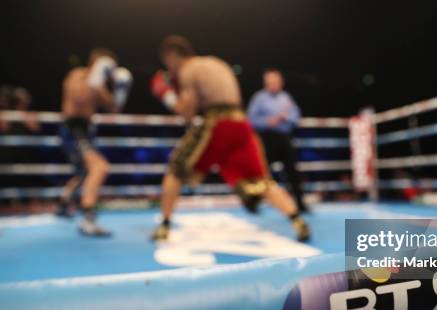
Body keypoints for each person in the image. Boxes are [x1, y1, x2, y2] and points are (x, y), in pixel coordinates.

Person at [150, 35, 310, 241]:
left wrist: (165, 93)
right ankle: (298, 221)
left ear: (172, 57)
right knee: (263, 180)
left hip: (217, 125)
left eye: (168, 63)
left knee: (175, 168)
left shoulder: (189, 70)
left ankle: (164, 226)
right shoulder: (217, 63)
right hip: (241, 126)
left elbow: (186, 113)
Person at [58, 48, 133, 236]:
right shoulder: (78, 75)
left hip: (86, 129)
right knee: (99, 168)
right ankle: (88, 220)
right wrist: (96, 79)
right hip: (73, 128)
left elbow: (114, 108)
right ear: (98, 63)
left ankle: (63, 202)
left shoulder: (98, 84)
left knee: (85, 171)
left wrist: (121, 89)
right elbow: (78, 98)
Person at [247, 69, 308, 212]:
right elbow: (250, 119)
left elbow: (296, 116)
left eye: (275, 80)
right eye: (270, 81)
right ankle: (255, 203)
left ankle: (300, 204)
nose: (273, 83)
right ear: (266, 82)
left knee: (292, 172)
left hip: (284, 138)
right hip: (266, 139)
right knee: (261, 172)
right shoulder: (259, 98)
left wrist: (285, 118)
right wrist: (267, 122)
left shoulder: (286, 97)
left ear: (280, 82)